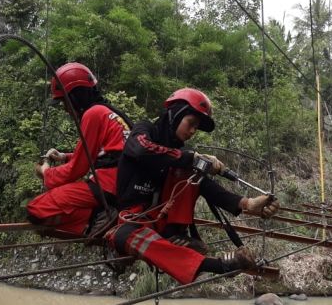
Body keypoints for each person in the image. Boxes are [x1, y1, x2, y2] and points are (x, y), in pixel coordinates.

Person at [106, 87, 279, 284]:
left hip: (161, 222)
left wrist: (247, 204)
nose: (193, 131)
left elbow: (205, 185)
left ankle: (175, 234)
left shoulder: (182, 154)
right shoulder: (145, 130)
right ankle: (218, 266)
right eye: (191, 123)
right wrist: (192, 157)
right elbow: (137, 148)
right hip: (132, 219)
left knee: (191, 170)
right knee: (122, 236)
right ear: (174, 114)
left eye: (196, 127)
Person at [26, 62, 133, 236]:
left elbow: (78, 168)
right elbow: (103, 153)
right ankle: (99, 217)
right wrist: (64, 157)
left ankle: (96, 220)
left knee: (36, 209)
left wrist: (46, 173)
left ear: (75, 97)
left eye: (65, 102)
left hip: (108, 185)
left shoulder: (93, 114)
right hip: (123, 183)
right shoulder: (109, 112)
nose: (66, 109)